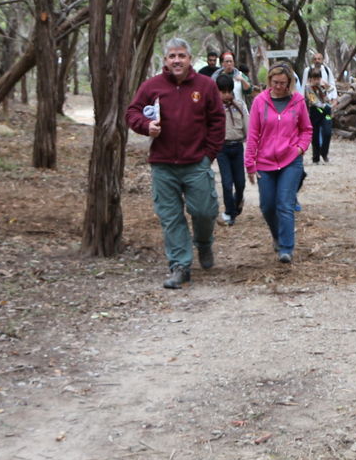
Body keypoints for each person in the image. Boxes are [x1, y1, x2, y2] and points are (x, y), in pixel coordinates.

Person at [125, 38, 224, 289]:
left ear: (190, 59)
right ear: (165, 61)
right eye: (172, 56)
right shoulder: (152, 86)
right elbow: (132, 113)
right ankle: (180, 265)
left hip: (196, 163)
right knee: (170, 217)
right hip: (163, 163)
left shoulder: (205, 86)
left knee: (204, 211)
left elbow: (217, 121)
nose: (177, 60)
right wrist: (146, 126)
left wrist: (208, 155)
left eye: (181, 55)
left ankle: (204, 243)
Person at [246, 64, 312, 264]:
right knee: (267, 205)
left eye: (283, 83)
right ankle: (276, 235)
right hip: (265, 161)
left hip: (290, 160)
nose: (279, 87)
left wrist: (300, 148)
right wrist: (250, 163)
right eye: (275, 83)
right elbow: (253, 134)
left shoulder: (298, 101)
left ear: (290, 83)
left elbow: (306, 129)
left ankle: (286, 247)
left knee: (284, 203)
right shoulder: (260, 101)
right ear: (269, 82)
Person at [215, 72, 249, 224]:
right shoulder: (213, 108)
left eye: (229, 91)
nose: (227, 95)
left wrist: (251, 144)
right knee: (227, 183)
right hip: (222, 149)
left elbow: (247, 125)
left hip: (238, 147)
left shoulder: (240, 105)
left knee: (240, 183)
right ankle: (230, 213)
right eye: (223, 92)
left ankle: (238, 200)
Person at [304, 67, 334, 164]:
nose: (316, 81)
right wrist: (324, 105)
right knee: (315, 135)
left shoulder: (322, 86)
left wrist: (326, 86)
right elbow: (313, 100)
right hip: (315, 111)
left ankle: (324, 153)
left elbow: (331, 90)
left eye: (318, 78)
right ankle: (315, 157)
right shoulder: (308, 88)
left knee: (327, 132)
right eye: (314, 79)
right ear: (310, 79)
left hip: (326, 112)